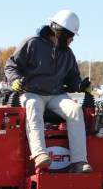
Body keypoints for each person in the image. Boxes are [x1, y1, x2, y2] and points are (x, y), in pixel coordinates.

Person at [5, 10, 93, 173]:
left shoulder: (68, 54)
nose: (72, 40)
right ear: (62, 33)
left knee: (75, 110)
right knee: (33, 105)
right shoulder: (32, 43)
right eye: (71, 35)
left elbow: (72, 78)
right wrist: (15, 79)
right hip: (31, 92)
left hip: (56, 95)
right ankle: (39, 154)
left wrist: (80, 85)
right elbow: (11, 65)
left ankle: (79, 161)